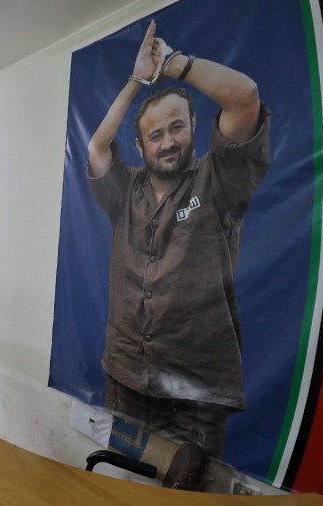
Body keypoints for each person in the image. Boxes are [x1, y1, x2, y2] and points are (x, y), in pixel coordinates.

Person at [87, 20, 271, 459]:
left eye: (176, 128)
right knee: (124, 480)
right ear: (140, 145)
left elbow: (244, 97)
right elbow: (96, 147)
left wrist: (171, 64)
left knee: (184, 494)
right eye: (155, 135)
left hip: (199, 395)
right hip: (126, 378)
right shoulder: (125, 190)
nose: (167, 142)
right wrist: (137, 79)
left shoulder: (220, 180)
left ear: (193, 125)